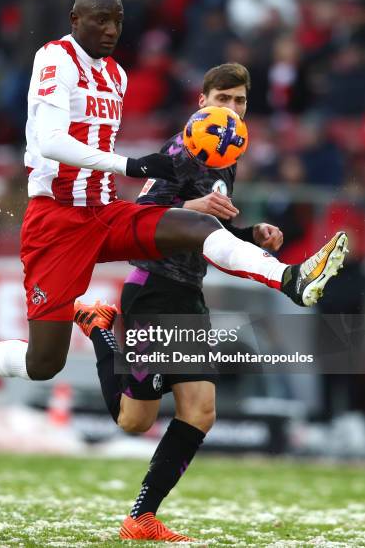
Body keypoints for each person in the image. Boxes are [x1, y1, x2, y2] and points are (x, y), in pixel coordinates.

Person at [0, 0, 346, 526]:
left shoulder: (116, 75)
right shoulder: (55, 58)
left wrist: (142, 181)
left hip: (105, 211)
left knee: (194, 226)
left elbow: (126, 173)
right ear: (75, 18)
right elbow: (49, 141)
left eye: (117, 20)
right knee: (43, 363)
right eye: (100, 20)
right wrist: (135, 166)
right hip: (58, 222)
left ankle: (292, 279)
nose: (111, 30)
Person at [72, 62, 288, 541]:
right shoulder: (183, 147)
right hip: (153, 288)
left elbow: (208, 228)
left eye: (240, 101)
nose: (232, 108)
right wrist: (193, 208)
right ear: (202, 100)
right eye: (224, 99)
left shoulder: (227, 153)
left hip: (187, 292)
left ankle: (141, 517)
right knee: (134, 421)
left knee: (201, 410)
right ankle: (97, 327)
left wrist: (251, 233)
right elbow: (139, 216)